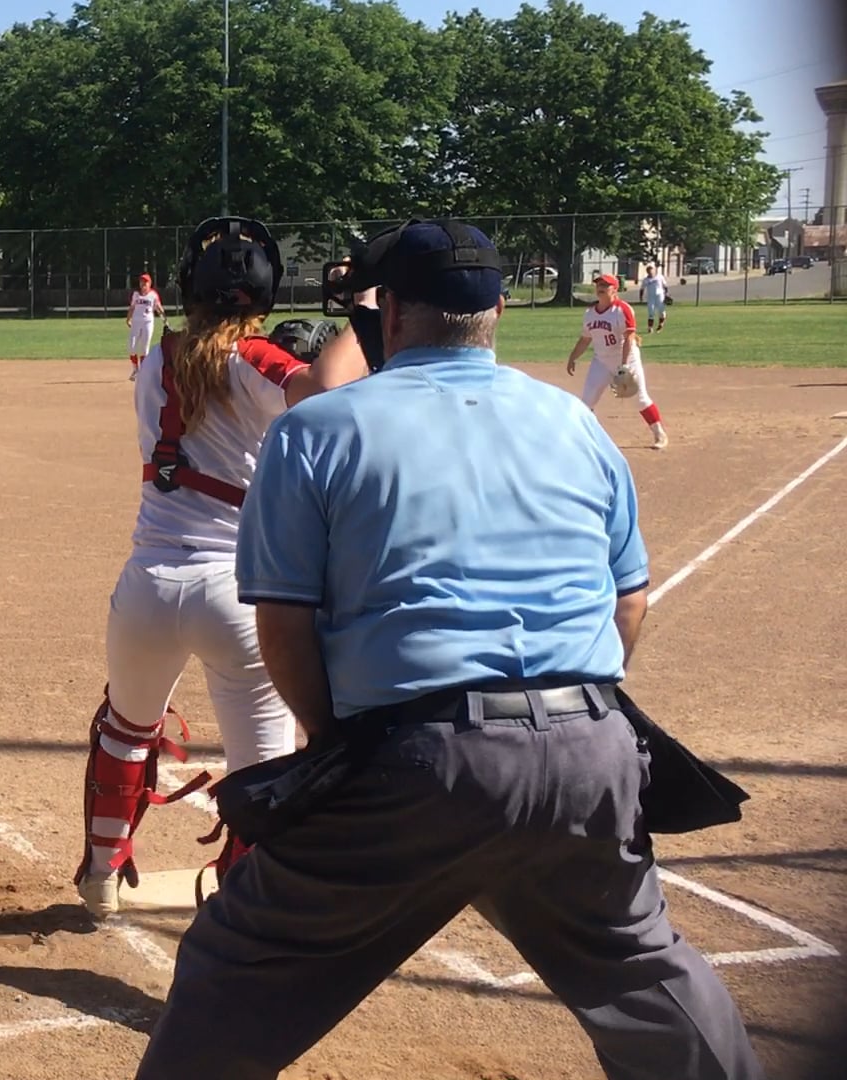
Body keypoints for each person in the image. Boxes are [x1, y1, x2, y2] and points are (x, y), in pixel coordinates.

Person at [136, 219, 761, 1080]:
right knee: (645, 974)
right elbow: (628, 602)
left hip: (418, 759)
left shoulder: (317, 429)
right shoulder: (571, 421)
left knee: (233, 971)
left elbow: (283, 626)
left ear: (389, 313)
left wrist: (340, 741)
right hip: (594, 749)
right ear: (496, 312)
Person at [74, 218, 368, 920]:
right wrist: (365, 309)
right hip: (236, 592)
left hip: (147, 585)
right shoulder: (254, 358)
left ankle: (101, 873)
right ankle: (243, 915)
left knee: (124, 730)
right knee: (264, 772)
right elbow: (322, 389)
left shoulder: (156, 359)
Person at [568, 274, 667, 449]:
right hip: (601, 362)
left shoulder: (622, 310)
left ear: (615, 290)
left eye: (605, 285)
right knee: (587, 401)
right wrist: (573, 357)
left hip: (627, 358)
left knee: (640, 399)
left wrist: (624, 366)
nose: (600, 287)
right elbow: (585, 339)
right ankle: (586, 438)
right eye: (598, 284)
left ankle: (659, 434)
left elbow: (629, 338)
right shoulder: (590, 314)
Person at [125, 273, 165, 380]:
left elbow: (159, 308)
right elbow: (132, 308)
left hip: (148, 323)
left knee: (144, 348)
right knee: (131, 346)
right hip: (136, 323)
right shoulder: (136, 294)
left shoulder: (153, 295)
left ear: (149, 284)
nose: (143, 284)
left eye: (145, 282)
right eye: (142, 281)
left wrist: (163, 317)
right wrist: (128, 319)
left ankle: (142, 372)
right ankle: (135, 369)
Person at [640, 264, 669, 333]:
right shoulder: (646, 280)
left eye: (651, 271)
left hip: (660, 295)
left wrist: (666, 294)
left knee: (661, 311)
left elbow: (665, 286)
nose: (650, 273)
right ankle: (650, 328)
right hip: (651, 297)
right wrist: (641, 297)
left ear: (654, 271)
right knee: (651, 312)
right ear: (647, 272)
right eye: (649, 272)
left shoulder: (660, 277)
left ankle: (661, 324)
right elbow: (642, 289)